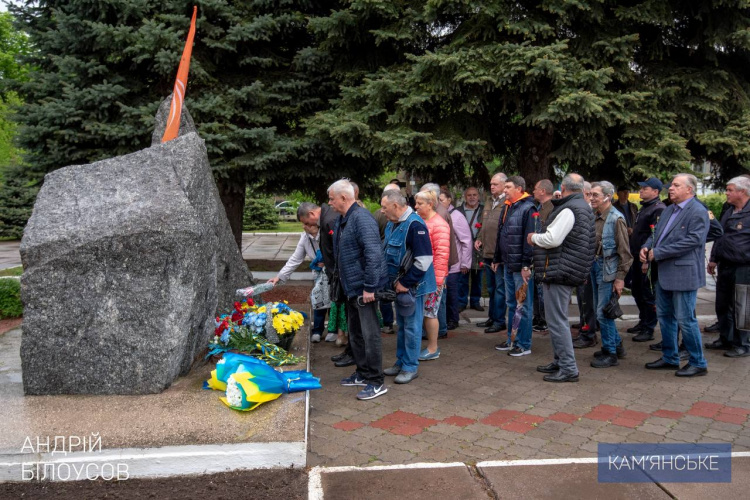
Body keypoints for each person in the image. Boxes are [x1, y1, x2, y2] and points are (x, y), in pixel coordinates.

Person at [641, 173, 709, 377]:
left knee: (686, 319)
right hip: (665, 273)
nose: (670, 188)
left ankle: (698, 362)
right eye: (671, 185)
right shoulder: (669, 209)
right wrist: (646, 247)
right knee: (665, 317)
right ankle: (670, 357)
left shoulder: (698, 211)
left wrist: (658, 253)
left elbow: (693, 240)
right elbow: (656, 236)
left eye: (676, 185)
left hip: (684, 274)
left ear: (689, 189)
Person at [528, 173, 595, 383]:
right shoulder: (581, 206)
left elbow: (553, 238)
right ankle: (559, 361)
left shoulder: (570, 209)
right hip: (566, 268)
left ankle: (568, 367)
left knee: (557, 322)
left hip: (560, 270)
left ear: (563, 188)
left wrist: (533, 238)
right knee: (556, 320)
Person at [329, 179, 390, 400]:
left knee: (370, 334)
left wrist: (370, 286)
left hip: (365, 289)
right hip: (352, 288)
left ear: (344, 198)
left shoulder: (361, 218)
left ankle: (376, 381)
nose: (330, 203)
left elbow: (374, 254)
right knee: (355, 333)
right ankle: (363, 373)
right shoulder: (343, 219)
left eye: (332, 198)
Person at [380, 189, 436, 383]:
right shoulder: (392, 223)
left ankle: (410, 367)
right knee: (402, 326)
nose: (382, 211)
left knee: (411, 327)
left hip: (411, 287)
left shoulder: (415, 225)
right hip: (400, 286)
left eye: (384, 207)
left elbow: (424, 259)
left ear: (396, 206)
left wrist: (405, 282)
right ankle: (401, 362)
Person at [267, 202, 328, 342]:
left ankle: (334, 330)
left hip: (332, 272)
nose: (305, 227)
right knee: (318, 299)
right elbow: (295, 259)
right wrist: (280, 276)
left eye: (307, 224)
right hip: (319, 273)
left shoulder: (325, 231)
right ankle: (317, 330)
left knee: (334, 302)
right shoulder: (305, 237)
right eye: (304, 224)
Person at [588, 181, 633, 367]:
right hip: (596, 268)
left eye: (595, 195)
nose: (591, 198)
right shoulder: (596, 216)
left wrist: (620, 278)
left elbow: (625, 253)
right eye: (590, 194)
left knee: (602, 314)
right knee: (603, 311)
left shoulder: (616, 219)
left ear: (607, 196)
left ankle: (610, 353)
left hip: (609, 272)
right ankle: (616, 345)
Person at [706, 176, 750, 357]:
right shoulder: (728, 210)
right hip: (725, 265)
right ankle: (725, 338)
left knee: (743, 306)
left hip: (744, 267)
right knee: (722, 304)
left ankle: (743, 344)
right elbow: (720, 236)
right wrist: (713, 258)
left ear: (742, 191)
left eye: (730, 189)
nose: (726, 193)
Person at [492, 175, 536, 357]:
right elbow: (501, 234)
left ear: (518, 188)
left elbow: (530, 239)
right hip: (508, 264)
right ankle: (512, 339)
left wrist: (526, 265)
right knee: (512, 303)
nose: (504, 190)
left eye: (508, 187)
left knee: (522, 305)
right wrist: (496, 258)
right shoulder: (507, 207)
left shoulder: (528, 208)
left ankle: (523, 343)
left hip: (520, 267)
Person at [628, 178, 666, 342]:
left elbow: (655, 236)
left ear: (656, 192)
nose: (641, 191)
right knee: (637, 290)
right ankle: (643, 321)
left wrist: (647, 260)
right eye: (641, 188)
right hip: (636, 256)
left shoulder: (658, 209)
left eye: (645, 189)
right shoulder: (646, 208)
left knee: (647, 293)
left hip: (646, 259)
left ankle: (649, 327)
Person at [414, 190, 450, 360]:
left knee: (430, 312)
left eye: (420, 203)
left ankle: (433, 348)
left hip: (433, 278)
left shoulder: (440, 225)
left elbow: (442, 255)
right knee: (426, 312)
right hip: (422, 276)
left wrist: (437, 281)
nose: (416, 207)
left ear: (430, 204)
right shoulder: (422, 220)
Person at [420, 183, 459, 340]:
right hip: (437, 265)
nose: (417, 205)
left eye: (421, 200)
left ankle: (439, 331)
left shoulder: (438, 216)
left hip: (437, 267)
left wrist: (438, 276)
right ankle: (438, 329)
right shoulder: (435, 213)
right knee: (436, 301)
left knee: (437, 301)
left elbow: (441, 249)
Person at [475, 173, 509, 333]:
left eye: (495, 184)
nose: (492, 186)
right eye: (491, 184)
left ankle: (499, 320)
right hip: (487, 252)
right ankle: (492, 317)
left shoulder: (507, 202)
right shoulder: (489, 201)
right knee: (491, 288)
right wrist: (479, 238)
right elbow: (484, 224)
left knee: (500, 289)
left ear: (503, 185)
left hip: (499, 255)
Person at [439, 189, 473, 330]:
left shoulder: (456, 216)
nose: (439, 203)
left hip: (454, 264)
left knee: (452, 294)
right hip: (443, 264)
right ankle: (446, 318)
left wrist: (465, 263)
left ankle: (453, 319)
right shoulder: (441, 214)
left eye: (442, 200)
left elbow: (466, 240)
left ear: (449, 200)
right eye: (438, 200)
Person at [573, 181, 597, 346]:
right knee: (583, 298)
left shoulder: (589, 211)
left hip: (589, 262)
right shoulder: (584, 210)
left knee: (587, 300)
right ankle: (584, 325)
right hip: (581, 262)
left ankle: (588, 332)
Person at [456, 186, 485, 311]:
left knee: (477, 277)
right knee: (462, 278)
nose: (472, 197)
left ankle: (475, 301)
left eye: (474, 195)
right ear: (465, 197)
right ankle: (461, 302)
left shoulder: (484, 211)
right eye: (469, 195)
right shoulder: (458, 211)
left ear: (478, 196)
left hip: (479, 249)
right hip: (463, 248)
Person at [531, 179, 554, 332]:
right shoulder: (540, 206)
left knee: (542, 288)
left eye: (535, 188)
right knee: (537, 287)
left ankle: (544, 319)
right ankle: (538, 316)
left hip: (546, 255)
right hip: (537, 254)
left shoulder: (552, 208)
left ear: (543, 191)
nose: (533, 191)